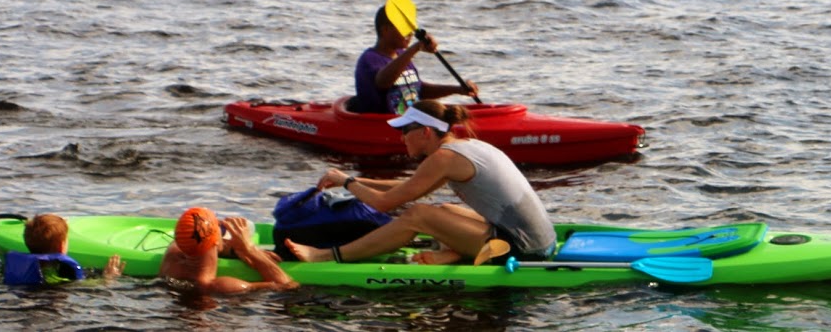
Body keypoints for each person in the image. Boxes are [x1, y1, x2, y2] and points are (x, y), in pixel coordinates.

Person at [283, 101, 555, 265]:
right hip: (539, 241)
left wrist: (347, 182)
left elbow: (384, 204)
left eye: (405, 130)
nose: (402, 138)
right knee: (444, 209)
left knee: (418, 216)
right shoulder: (466, 146)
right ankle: (455, 252)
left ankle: (326, 256)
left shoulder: (444, 158)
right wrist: (351, 180)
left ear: (425, 132)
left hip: (521, 251)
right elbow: (408, 186)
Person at [352, 5, 479, 115]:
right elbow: (383, 82)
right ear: (385, 30)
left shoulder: (402, 55)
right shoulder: (369, 59)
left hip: (410, 123)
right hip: (381, 124)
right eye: (403, 28)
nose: (410, 34)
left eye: (410, 29)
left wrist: (457, 89)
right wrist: (415, 48)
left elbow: (418, 89)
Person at [159, 207, 297, 294]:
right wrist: (250, 250)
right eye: (220, 229)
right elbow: (287, 285)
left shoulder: (172, 256)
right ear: (217, 241)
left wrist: (234, 251)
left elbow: (193, 237)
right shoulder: (222, 286)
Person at [3, 214, 123, 286]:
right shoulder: (60, 272)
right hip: (51, 301)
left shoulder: (17, 265)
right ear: (61, 246)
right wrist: (108, 278)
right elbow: (81, 286)